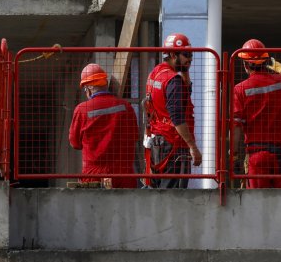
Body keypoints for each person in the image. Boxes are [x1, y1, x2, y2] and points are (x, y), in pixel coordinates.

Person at [232, 39, 281, 189]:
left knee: (256, 202)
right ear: (267, 62)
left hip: (256, 155)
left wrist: (234, 155)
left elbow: (236, 126)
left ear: (246, 65)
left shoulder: (240, 89)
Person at [142, 32, 202, 188]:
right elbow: (177, 116)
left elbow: (183, 95)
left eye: (191, 54)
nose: (190, 59)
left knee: (158, 191)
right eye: (186, 54)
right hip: (173, 144)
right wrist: (192, 146)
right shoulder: (173, 81)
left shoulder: (156, 73)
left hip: (158, 141)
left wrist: (185, 69)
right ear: (173, 54)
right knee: (174, 197)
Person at [69, 63, 140, 188]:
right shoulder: (126, 107)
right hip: (124, 174)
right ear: (105, 83)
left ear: (89, 88)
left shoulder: (82, 109)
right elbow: (134, 136)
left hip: (94, 176)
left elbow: (75, 143)